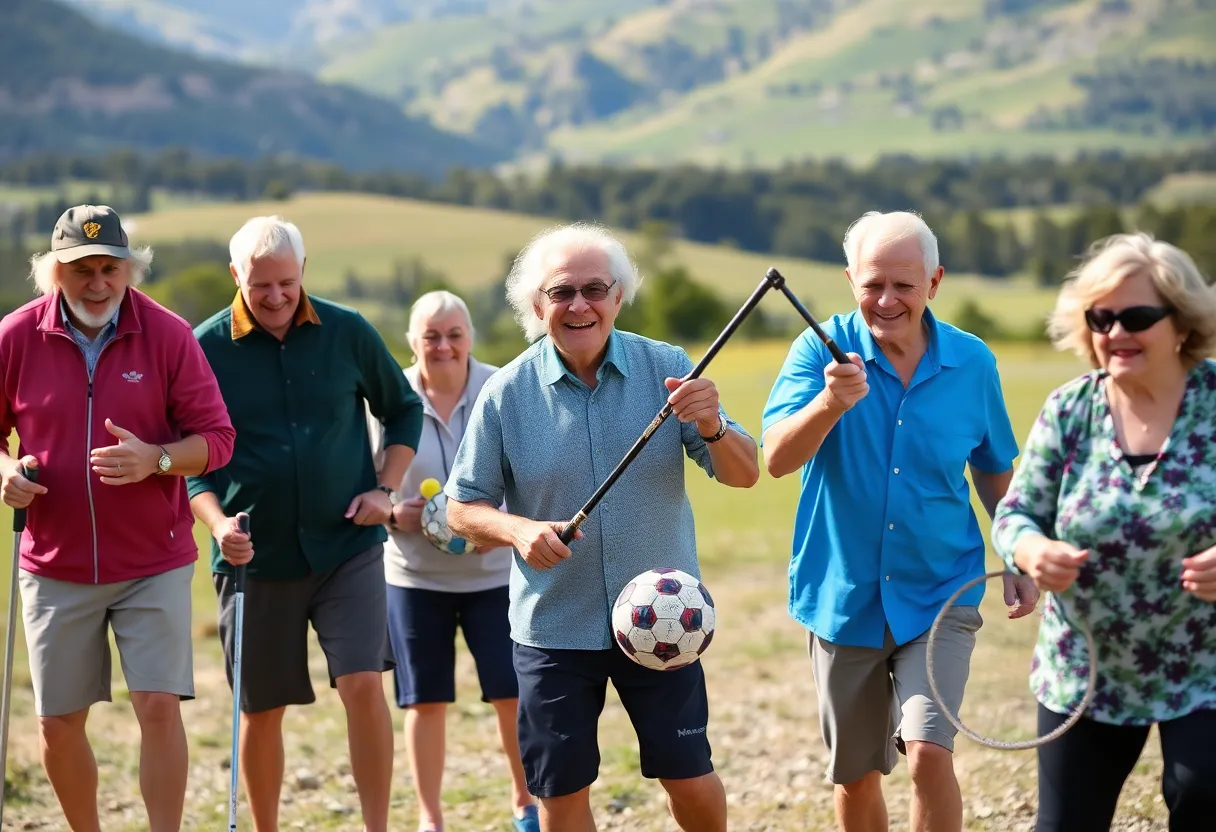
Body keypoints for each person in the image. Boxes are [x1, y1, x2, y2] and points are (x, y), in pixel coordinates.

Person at [442, 222, 759, 832]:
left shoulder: (668, 368)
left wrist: (715, 424)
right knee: (561, 798)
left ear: (618, 297)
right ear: (537, 306)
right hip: (552, 626)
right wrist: (517, 531)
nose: (579, 305)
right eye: (562, 293)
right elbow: (461, 509)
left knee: (690, 782)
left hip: (664, 623)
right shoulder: (506, 393)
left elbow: (744, 475)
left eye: (595, 289)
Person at [760, 210, 1040, 832]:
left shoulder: (972, 362)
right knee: (857, 778)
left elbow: (995, 471)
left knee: (927, 754)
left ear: (934, 283)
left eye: (905, 285)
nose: (886, 300)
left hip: (943, 590)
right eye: (872, 283)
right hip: (842, 596)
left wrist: (1018, 555)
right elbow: (777, 458)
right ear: (851, 279)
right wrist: (831, 402)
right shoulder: (817, 349)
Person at [0, 204, 236, 832]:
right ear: (55, 272)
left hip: (151, 561)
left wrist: (157, 459)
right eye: (82, 270)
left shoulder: (168, 335)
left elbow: (216, 438)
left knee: (159, 705)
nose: (98, 283)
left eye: (111, 268)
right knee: (57, 721)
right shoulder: (16, 336)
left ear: (130, 269)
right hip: (54, 563)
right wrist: (6, 472)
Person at [187, 215, 424, 832]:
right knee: (260, 710)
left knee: (363, 686)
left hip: (348, 548)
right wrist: (217, 527)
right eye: (260, 285)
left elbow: (401, 409)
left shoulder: (347, 331)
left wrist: (384, 488)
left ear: (303, 273)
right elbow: (190, 465)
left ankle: (378, 826)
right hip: (253, 561)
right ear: (236, 276)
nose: (275, 298)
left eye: (287, 283)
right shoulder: (203, 348)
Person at [991, 233, 1216, 832]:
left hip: (1204, 666)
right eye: (1101, 317)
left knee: (1205, 801)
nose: (1115, 332)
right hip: (1083, 670)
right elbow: (1015, 514)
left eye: (1137, 316)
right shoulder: (1070, 410)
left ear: (1182, 323)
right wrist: (1032, 550)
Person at [365, 290, 539, 832]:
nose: (443, 346)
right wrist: (396, 513)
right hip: (414, 578)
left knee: (511, 694)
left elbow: (532, 472)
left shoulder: (502, 386)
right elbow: (365, 485)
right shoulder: (387, 398)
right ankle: (430, 818)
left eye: (454, 334)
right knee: (424, 702)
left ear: (470, 338)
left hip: (495, 575)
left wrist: (499, 526)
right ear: (412, 342)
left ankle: (526, 802)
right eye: (431, 336)